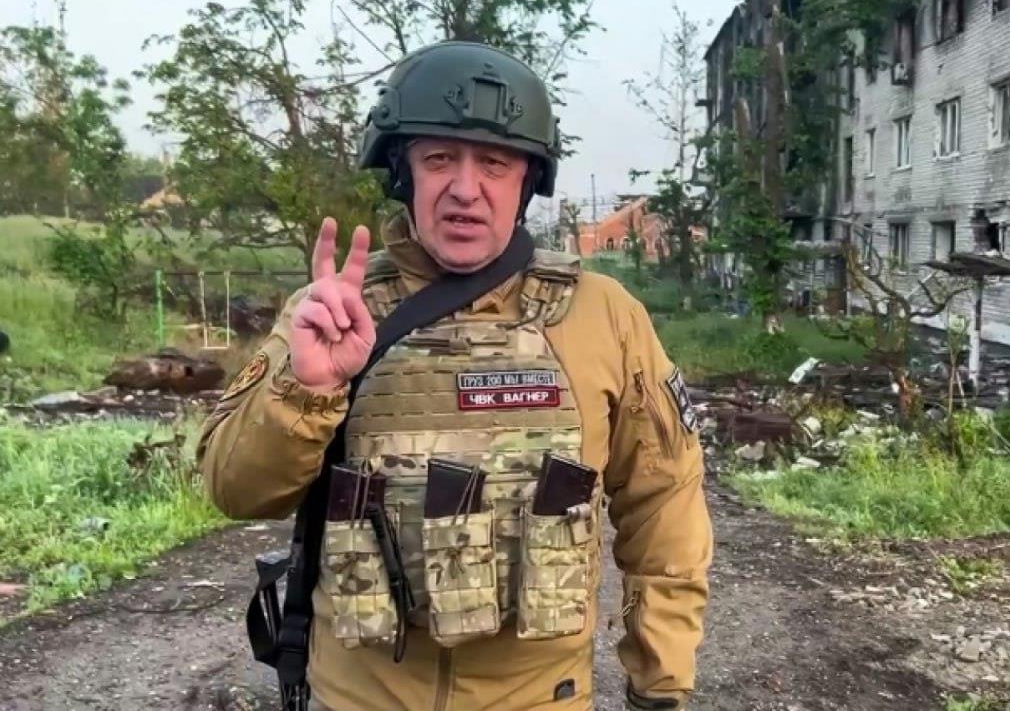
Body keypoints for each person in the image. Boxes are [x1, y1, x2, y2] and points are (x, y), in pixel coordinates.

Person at [197, 39, 712, 711]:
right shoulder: (331, 313)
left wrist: (660, 685)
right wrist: (309, 388)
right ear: (402, 172)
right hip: (359, 697)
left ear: (526, 181)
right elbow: (236, 491)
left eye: (494, 163)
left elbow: (666, 504)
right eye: (439, 158)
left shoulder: (603, 317)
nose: (466, 189)